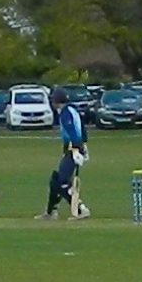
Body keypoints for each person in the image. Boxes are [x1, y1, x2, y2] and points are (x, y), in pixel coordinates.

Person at [38, 89, 90, 220]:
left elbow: (73, 131)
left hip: (73, 150)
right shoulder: (72, 110)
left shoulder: (65, 113)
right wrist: (84, 145)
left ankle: (80, 209)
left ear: (56, 101)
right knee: (55, 180)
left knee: (62, 182)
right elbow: (83, 130)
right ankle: (51, 212)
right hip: (73, 149)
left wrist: (78, 149)